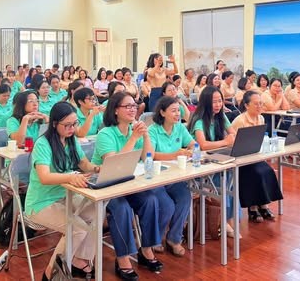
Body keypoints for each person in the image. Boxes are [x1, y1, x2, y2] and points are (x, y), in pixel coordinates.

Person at [91, 92, 172, 280]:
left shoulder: (134, 130)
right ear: (115, 110)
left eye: (134, 106)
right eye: (127, 106)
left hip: (128, 183)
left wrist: (146, 135)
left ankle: (146, 250)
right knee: (122, 209)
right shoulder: (106, 134)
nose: (132, 109)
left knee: (151, 200)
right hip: (107, 186)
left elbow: (147, 158)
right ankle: (123, 259)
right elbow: (114, 165)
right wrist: (134, 138)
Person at [26, 102, 99, 281]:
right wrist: (70, 177)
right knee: (77, 229)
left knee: (96, 212)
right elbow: (44, 177)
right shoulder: (43, 144)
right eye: (67, 125)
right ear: (54, 124)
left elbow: (83, 163)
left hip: (66, 195)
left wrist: (98, 169)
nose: (72, 129)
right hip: (41, 202)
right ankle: (50, 273)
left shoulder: (71, 140)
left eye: (74, 124)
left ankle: (79, 262)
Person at [148, 96, 194, 256]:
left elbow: (192, 143)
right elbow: (151, 155)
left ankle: (174, 239)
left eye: (178, 111)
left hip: (175, 177)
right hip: (157, 178)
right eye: (173, 111)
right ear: (162, 112)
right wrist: (175, 154)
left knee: (185, 198)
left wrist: (191, 150)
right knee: (167, 205)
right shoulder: (153, 130)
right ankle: (156, 238)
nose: (177, 114)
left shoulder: (179, 127)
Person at [189, 86, 237, 237]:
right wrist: (225, 142)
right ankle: (223, 220)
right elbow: (202, 145)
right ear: (205, 102)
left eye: (220, 101)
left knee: (231, 177)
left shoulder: (221, 117)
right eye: (214, 102)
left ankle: (227, 219)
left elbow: (233, 134)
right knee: (225, 179)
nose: (218, 105)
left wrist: (230, 139)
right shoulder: (198, 120)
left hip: (215, 159)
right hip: (199, 164)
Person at [231, 90, 283, 222]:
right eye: (256, 104)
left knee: (268, 170)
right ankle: (252, 207)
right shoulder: (239, 121)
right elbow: (233, 143)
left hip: (254, 155)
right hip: (241, 159)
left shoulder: (261, 118)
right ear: (246, 105)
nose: (259, 106)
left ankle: (264, 205)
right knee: (255, 173)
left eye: (261, 103)